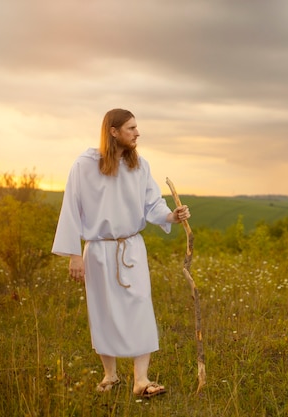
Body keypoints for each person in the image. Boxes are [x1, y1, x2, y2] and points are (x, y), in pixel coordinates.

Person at [51, 108, 190, 397]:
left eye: (136, 128)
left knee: (140, 308)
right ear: (113, 131)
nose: (137, 133)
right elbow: (71, 208)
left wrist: (172, 216)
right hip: (98, 250)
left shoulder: (140, 166)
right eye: (131, 128)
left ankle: (141, 380)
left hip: (132, 248)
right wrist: (74, 255)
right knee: (104, 312)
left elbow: (153, 205)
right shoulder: (84, 165)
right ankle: (110, 376)